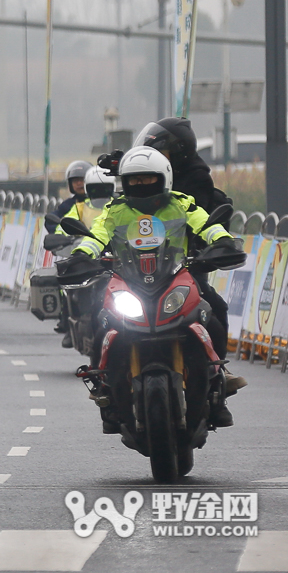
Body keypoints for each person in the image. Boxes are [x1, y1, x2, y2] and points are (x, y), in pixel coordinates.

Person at [64, 146, 242, 427]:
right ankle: (104, 385)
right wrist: (81, 255)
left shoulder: (181, 203)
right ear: (124, 182)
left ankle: (218, 383)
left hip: (175, 276)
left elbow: (206, 224)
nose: (141, 185)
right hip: (130, 278)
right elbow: (96, 235)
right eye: (134, 180)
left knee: (213, 312)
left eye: (148, 179)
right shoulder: (115, 210)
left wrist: (222, 240)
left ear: (164, 178)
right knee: (102, 321)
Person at [120, 118, 243, 387]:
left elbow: (188, 217)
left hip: (181, 263)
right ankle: (105, 378)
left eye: (158, 153)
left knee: (214, 310)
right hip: (137, 264)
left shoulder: (193, 179)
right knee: (105, 313)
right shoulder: (151, 176)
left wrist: (218, 244)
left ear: (177, 152)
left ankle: (217, 374)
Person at [50, 166, 115, 348]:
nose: (100, 193)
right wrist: (63, 237)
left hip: (115, 260)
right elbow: (62, 226)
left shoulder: (119, 206)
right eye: (95, 188)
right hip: (88, 259)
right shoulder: (78, 208)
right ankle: (71, 324)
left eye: (104, 188)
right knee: (71, 285)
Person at [44, 160, 92, 233]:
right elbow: (52, 220)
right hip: (75, 242)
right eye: (75, 180)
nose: (79, 183)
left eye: (82, 179)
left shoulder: (101, 202)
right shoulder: (67, 205)